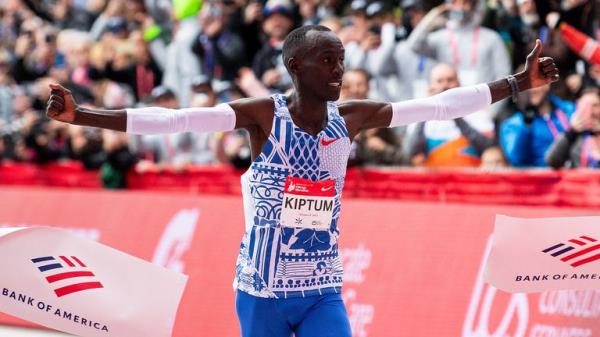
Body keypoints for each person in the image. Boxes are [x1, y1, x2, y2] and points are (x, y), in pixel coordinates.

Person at [46, 25, 558, 337]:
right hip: (261, 290)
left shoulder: (351, 117)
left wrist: (517, 83)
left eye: (342, 59)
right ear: (295, 65)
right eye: (328, 60)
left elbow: (441, 105)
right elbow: (175, 120)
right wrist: (83, 116)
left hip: (322, 288)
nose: (339, 69)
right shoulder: (262, 116)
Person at [546, 87, 600, 169]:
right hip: (581, 181)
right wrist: (571, 132)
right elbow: (552, 161)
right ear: (578, 107)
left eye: (595, 105)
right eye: (585, 105)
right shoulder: (574, 135)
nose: (590, 111)